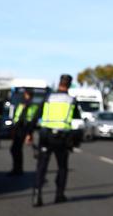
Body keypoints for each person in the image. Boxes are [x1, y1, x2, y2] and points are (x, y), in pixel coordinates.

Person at [29, 74, 82, 206]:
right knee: (62, 167)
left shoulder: (48, 98)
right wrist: (75, 141)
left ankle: (37, 194)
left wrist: (29, 133)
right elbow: (78, 121)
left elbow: (36, 115)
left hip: (45, 136)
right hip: (62, 138)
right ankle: (59, 194)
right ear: (69, 85)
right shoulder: (71, 100)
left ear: (59, 83)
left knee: (41, 166)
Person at [8, 88, 36, 176]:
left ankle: (17, 169)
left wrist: (28, 133)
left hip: (21, 129)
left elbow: (25, 120)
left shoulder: (27, 105)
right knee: (16, 150)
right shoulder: (24, 104)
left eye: (25, 94)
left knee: (15, 149)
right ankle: (17, 169)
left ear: (27, 95)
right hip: (20, 128)